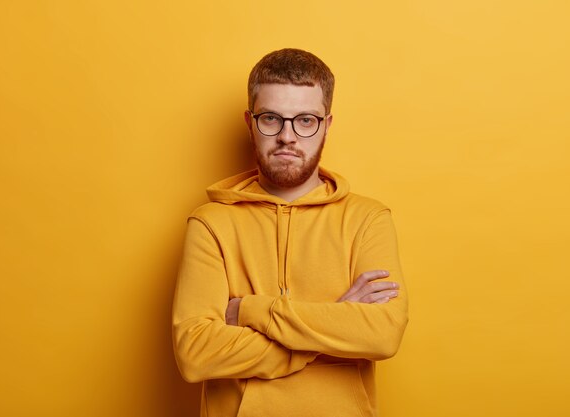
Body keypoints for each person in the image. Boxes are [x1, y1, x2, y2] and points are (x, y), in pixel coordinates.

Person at [172, 48, 408, 417]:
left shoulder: (368, 219)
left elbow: (382, 334)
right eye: (272, 119)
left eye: (305, 120)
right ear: (250, 123)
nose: (287, 136)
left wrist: (253, 311)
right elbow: (196, 353)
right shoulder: (211, 223)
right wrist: (338, 320)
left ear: (327, 124)